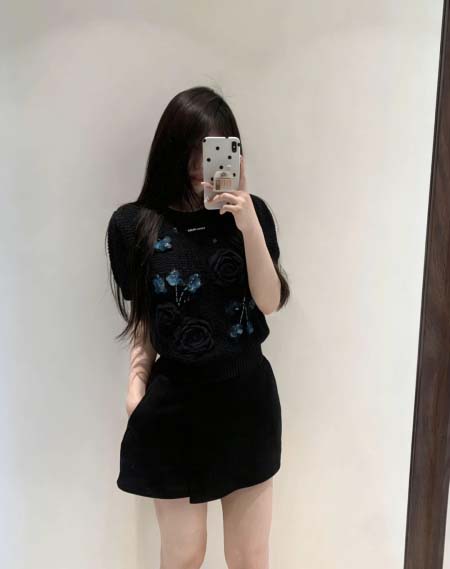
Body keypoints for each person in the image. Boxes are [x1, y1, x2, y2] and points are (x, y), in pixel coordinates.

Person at [106, 85, 290, 569]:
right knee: (184, 554)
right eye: (188, 148)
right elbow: (145, 320)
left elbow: (269, 302)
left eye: (210, 149)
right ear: (168, 148)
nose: (197, 163)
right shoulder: (134, 225)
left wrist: (247, 222)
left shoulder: (251, 216)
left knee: (249, 557)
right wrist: (135, 385)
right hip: (174, 406)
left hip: (246, 400)